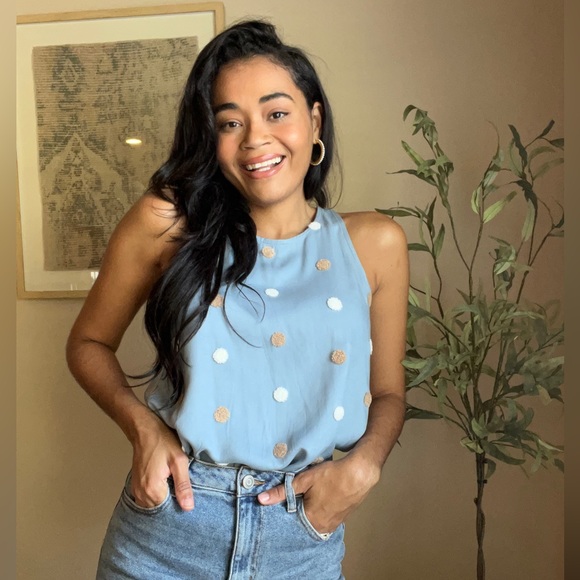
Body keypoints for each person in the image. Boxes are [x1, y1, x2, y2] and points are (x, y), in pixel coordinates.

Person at [66, 19, 408, 580]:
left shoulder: (375, 244)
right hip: (168, 533)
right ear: (212, 138)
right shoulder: (166, 225)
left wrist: (365, 466)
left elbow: (389, 392)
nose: (254, 139)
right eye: (230, 122)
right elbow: (88, 343)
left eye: (276, 113)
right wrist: (143, 428)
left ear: (314, 120)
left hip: (301, 537)